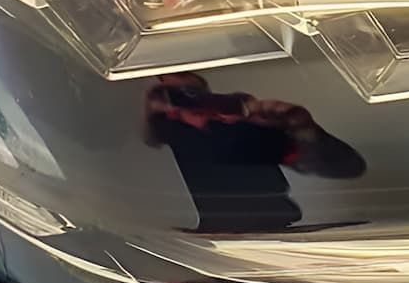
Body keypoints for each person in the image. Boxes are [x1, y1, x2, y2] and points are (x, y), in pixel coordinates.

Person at [143, 71, 365, 232]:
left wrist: (302, 126)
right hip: (182, 248)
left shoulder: (245, 129)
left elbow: (346, 167)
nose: (182, 99)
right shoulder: (149, 140)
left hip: (269, 238)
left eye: (191, 92)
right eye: (169, 93)